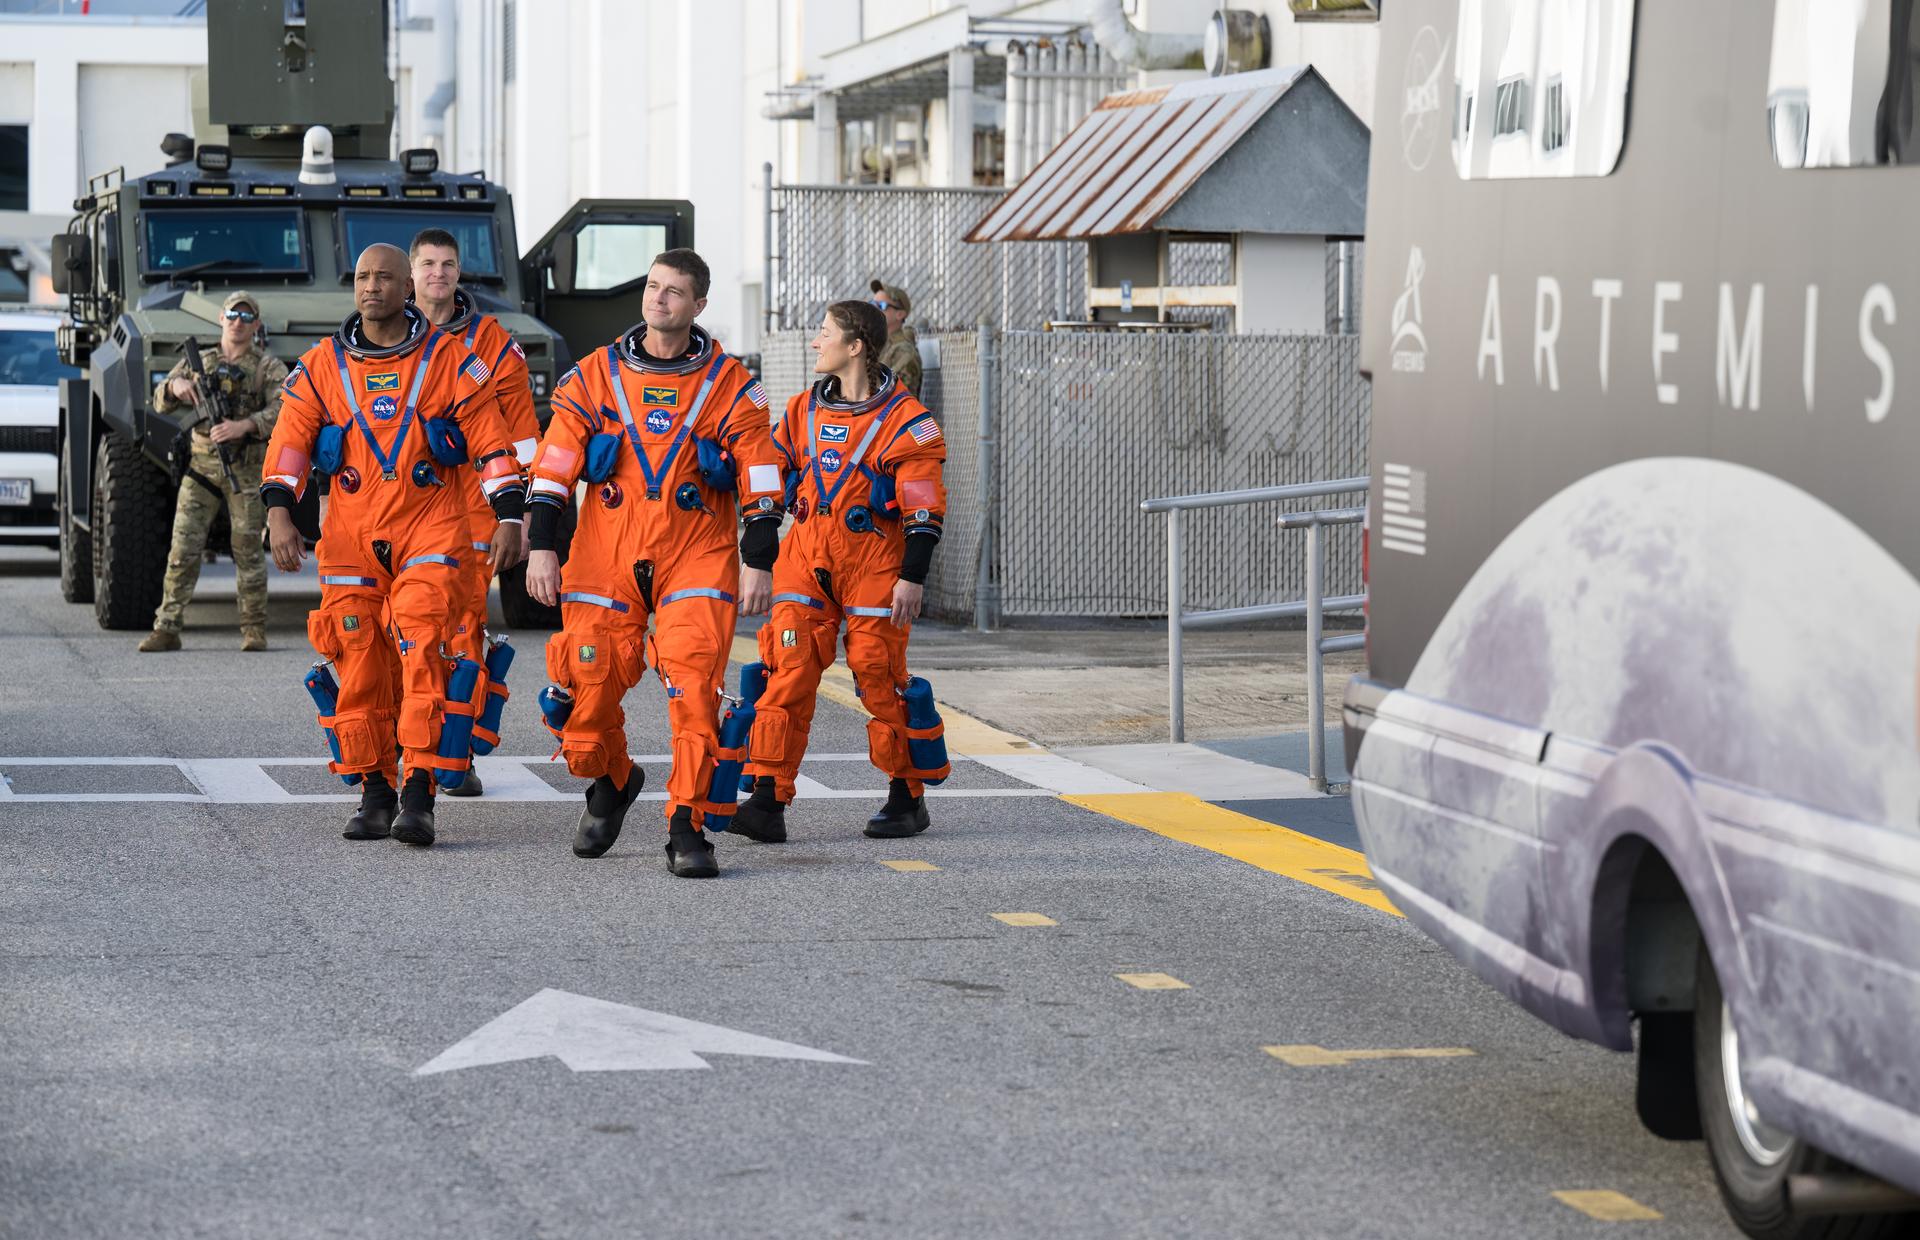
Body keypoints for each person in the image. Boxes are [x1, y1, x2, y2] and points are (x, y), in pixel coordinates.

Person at [523, 247, 784, 878]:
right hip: (605, 553)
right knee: (584, 697)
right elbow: (554, 466)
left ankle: (686, 826)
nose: (658, 298)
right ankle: (612, 780)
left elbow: (761, 472)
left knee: (695, 690)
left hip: (696, 551)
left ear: (698, 305)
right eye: (652, 286)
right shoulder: (593, 375)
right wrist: (541, 546)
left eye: (673, 292)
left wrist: (759, 557)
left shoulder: (730, 384)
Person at [262, 243, 526, 847]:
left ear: (408, 287)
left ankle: (419, 793)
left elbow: (492, 444)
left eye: (384, 277)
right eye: (362, 277)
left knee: (424, 645)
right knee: (357, 659)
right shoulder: (323, 365)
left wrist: (510, 516)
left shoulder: (452, 360)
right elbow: (291, 445)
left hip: (429, 528)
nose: (371, 286)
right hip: (351, 536)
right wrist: (279, 513)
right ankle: (375, 790)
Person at [731, 300, 949, 845]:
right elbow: (769, 479)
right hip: (807, 558)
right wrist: (758, 551)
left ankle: (907, 796)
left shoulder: (908, 421)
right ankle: (766, 801)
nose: (814, 342)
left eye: (824, 333)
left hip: (875, 561)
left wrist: (912, 576)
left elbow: (924, 507)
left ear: (855, 347)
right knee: (787, 667)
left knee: (878, 673)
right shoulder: (802, 410)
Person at [408, 227, 542, 799]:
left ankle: (455, 750)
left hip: (474, 504)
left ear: (460, 272)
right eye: (428, 264)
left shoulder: (492, 343)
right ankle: (411, 741)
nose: (438, 273)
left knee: (462, 627)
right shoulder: (385, 335)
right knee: (407, 631)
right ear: (412, 273)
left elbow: (522, 433)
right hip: (401, 506)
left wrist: (530, 507)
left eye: (448, 263)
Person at [139, 291, 289, 653]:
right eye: (232, 314)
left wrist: (246, 426)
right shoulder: (199, 362)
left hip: (248, 471)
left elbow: (287, 408)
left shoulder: (268, 367)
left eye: (245, 315)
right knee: (183, 549)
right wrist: (177, 385)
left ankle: (254, 629)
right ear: (221, 319)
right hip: (201, 469)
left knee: (248, 551)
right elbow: (159, 398)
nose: (238, 321)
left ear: (255, 324)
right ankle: (167, 627)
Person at [869, 279, 921, 398]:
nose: (873, 310)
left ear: (900, 314)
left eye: (881, 305)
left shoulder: (903, 351)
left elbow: (890, 396)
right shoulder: (877, 344)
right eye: (872, 304)